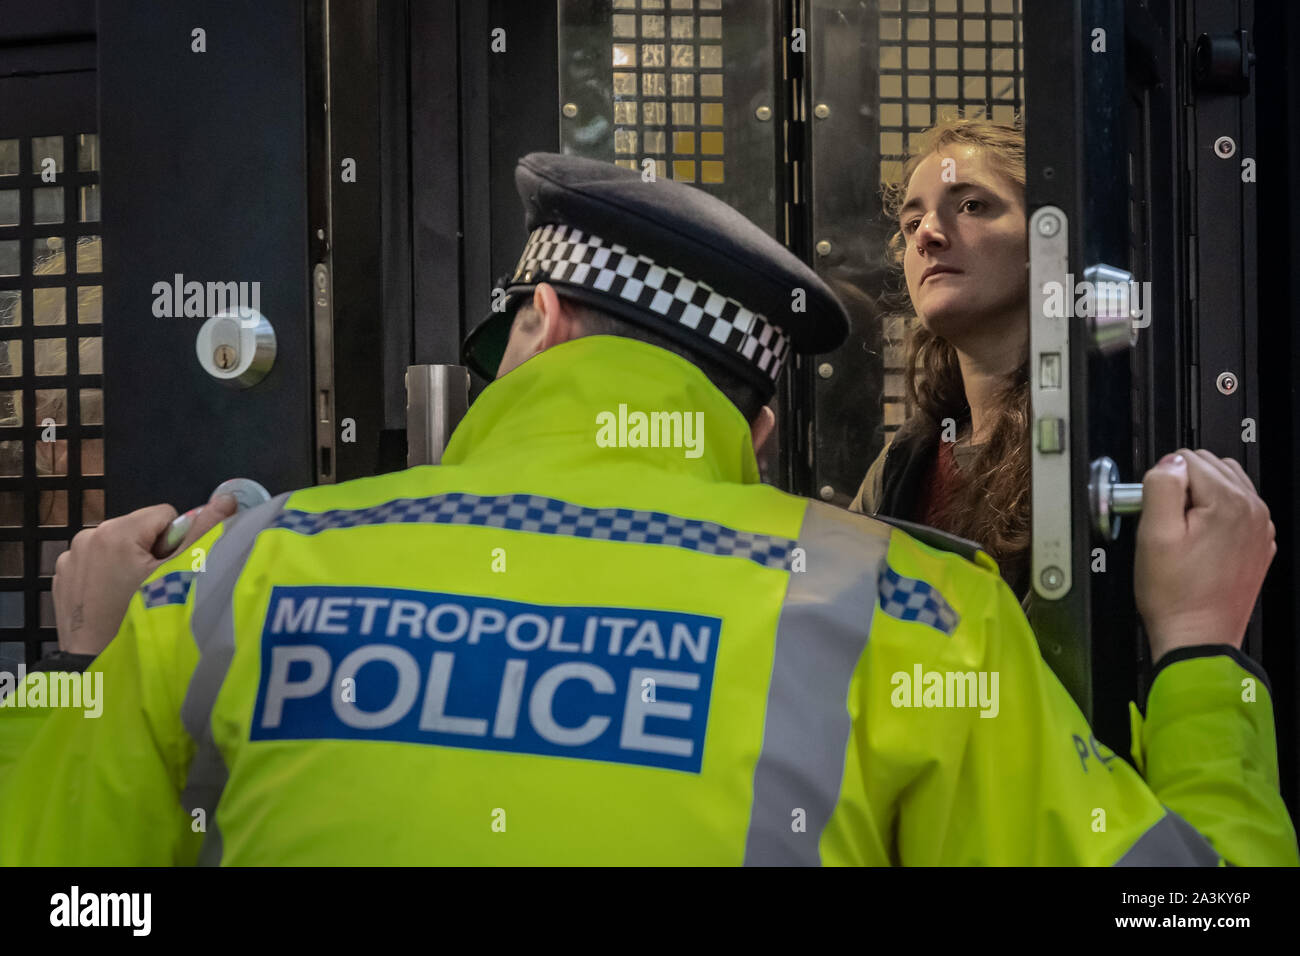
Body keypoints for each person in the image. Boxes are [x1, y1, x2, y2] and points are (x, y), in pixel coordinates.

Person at [0, 153, 1293, 866]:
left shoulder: (233, 584)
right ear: (760, 428)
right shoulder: (905, 610)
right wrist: (1197, 661)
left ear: (540, 322)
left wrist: (82, 667)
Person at [851, 117, 1033, 602]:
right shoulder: (907, 461)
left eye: (972, 205)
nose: (926, 235)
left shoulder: (1103, 443)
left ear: (1050, 236)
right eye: (911, 223)